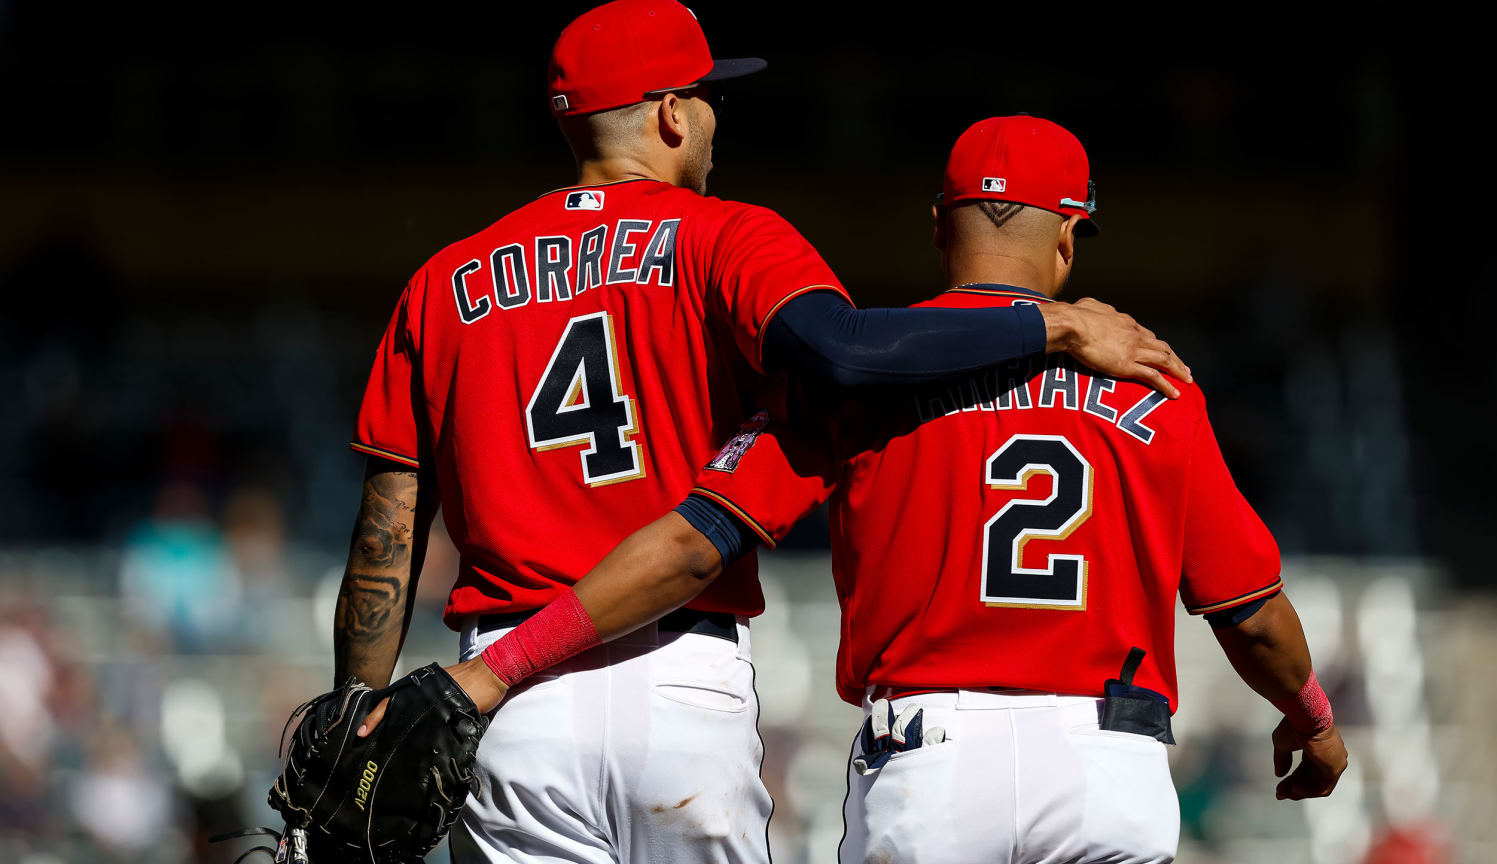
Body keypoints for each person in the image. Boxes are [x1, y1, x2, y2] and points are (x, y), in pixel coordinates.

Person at [336, 1, 1188, 860]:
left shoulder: (443, 281)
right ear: (671, 113)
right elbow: (845, 353)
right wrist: (1057, 328)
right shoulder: (729, 235)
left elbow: (389, 525)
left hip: (507, 694)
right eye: (708, 100)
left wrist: (352, 721)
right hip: (679, 677)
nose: (713, 121)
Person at [473, 114, 1348, 863]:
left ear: (938, 226)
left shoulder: (856, 382)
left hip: (929, 763)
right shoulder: (1152, 383)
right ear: (1070, 236)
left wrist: (499, 667)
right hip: (1104, 763)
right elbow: (1251, 612)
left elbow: (695, 542)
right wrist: (1310, 716)